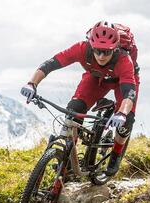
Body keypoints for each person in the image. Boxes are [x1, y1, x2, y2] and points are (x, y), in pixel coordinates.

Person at [20, 21, 139, 177]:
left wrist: (122, 113)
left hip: (122, 82)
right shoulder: (81, 48)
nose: (101, 56)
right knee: (74, 110)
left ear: (115, 48)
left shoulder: (124, 60)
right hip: (96, 76)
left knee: (127, 120)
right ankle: (68, 157)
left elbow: (129, 93)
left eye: (106, 52)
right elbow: (51, 63)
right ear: (91, 46)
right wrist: (32, 84)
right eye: (97, 51)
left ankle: (116, 156)